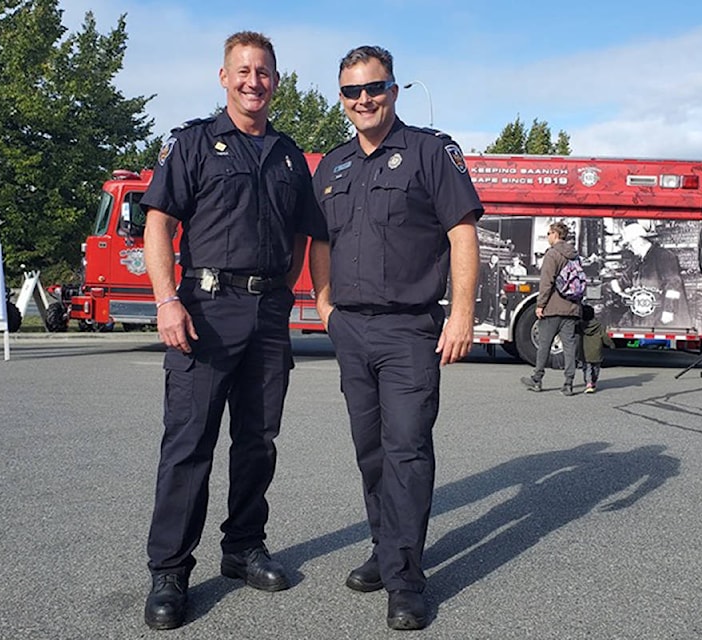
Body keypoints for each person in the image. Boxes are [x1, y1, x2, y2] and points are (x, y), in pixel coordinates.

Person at [138, 31, 328, 631]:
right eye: (243, 70)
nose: (254, 81)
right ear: (224, 77)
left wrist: (290, 294)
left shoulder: (289, 153)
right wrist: (167, 300)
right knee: (189, 443)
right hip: (205, 310)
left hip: (268, 314)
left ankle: (243, 546)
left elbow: (308, 233)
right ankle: (169, 571)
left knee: (257, 442)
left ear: (276, 80)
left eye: (264, 72)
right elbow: (159, 225)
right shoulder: (192, 143)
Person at [311, 45, 482, 631]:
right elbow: (321, 242)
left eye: (374, 87)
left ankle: (406, 578)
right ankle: (387, 551)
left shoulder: (430, 152)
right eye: (352, 92)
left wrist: (461, 316)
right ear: (342, 98)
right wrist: (325, 305)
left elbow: (462, 234)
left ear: (394, 89)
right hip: (351, 328)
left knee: (407, 447)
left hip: (410, 329)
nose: (364, 100)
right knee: (371, 450)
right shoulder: (331, 166)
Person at [520, 221, 583, 396]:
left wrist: (540, 305)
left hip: (553, 307)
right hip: (571, 307)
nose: (547, 237)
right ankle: (569, 383)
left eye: (548, 233)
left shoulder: (552, 254)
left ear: (555, 234)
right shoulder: (575, 255)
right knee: (569, 347)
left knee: (544, 345)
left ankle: (537, 379)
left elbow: (546, 282)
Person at [610, 221, 693, 328]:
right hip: (645, 316)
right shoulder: (638, 261)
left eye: (629, 244)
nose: (628, 248)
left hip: (664, 318)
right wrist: (610, 286)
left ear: (638, 241)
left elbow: (673, 286)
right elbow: (624, 280)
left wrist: (668, 311)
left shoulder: (664, 256)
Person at [579, 304, 615, 393]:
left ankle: (588, 383)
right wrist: (611, 344)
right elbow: (604, 337)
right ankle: (594, 381)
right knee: (596, 368)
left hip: (584, 351)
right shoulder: (599, 326)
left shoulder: (580, 326)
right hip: (597, 351)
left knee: (587, 368)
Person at [478, 253, 502, 325]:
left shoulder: (498, 269)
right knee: (484, 305)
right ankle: (481, 320)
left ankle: (495, 321)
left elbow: (500, 280)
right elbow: (480, 277)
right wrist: (481, 285)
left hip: (495, 289)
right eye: (492, 258)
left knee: (496, 306)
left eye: (495, 259)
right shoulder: (484, 266)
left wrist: (501, 289)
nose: (493, 260)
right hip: (486, 289)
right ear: (490, 258)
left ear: (497, 260)